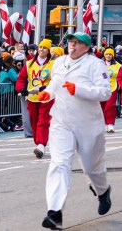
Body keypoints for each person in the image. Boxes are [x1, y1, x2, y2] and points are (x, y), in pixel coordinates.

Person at [42, 32, 112, 231]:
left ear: (87, 47)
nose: (72, 45)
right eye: (70, 41)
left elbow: (105, 92)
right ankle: (54, 213)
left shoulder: (95, 65)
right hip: (62, 122)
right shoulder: (59, 62)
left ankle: (103, 191)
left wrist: (79, 89)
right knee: (59, 163)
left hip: (88, 124)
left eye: (77, 43)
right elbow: (54, 84)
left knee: (91, 167)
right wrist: (47, 94)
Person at [17, 39, 55, 159]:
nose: (42, 50)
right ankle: (38, 143)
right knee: (34, 121)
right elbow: (21, 78)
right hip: (32, 97)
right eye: (40, 47)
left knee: (43, 121)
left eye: (44, 48)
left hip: (47, 97)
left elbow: (57, 79)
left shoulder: (53, 64)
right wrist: (21, 88)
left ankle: (41, 144)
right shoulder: (29, 64)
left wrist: (48, 87)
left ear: (48, 50)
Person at [101, 49, 120, 133]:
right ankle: (102, 125)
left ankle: (110, 124)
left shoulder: (118, 65)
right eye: (106, 54)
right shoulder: (99, 64)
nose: (108, 56)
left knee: (110, 106)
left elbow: (121, 76)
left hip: (112, 87)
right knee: (101, 107)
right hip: (100, 88)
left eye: (110, 54)